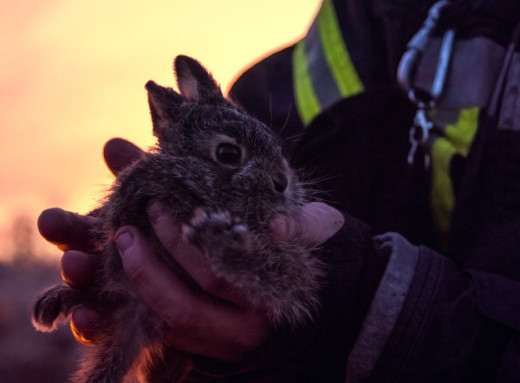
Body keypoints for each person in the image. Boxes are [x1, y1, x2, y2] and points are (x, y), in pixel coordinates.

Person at [38, 0, 520, 381]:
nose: (282, 177)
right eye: (229, 157)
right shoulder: (360, 24)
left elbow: (304, 278)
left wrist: (356, 306)